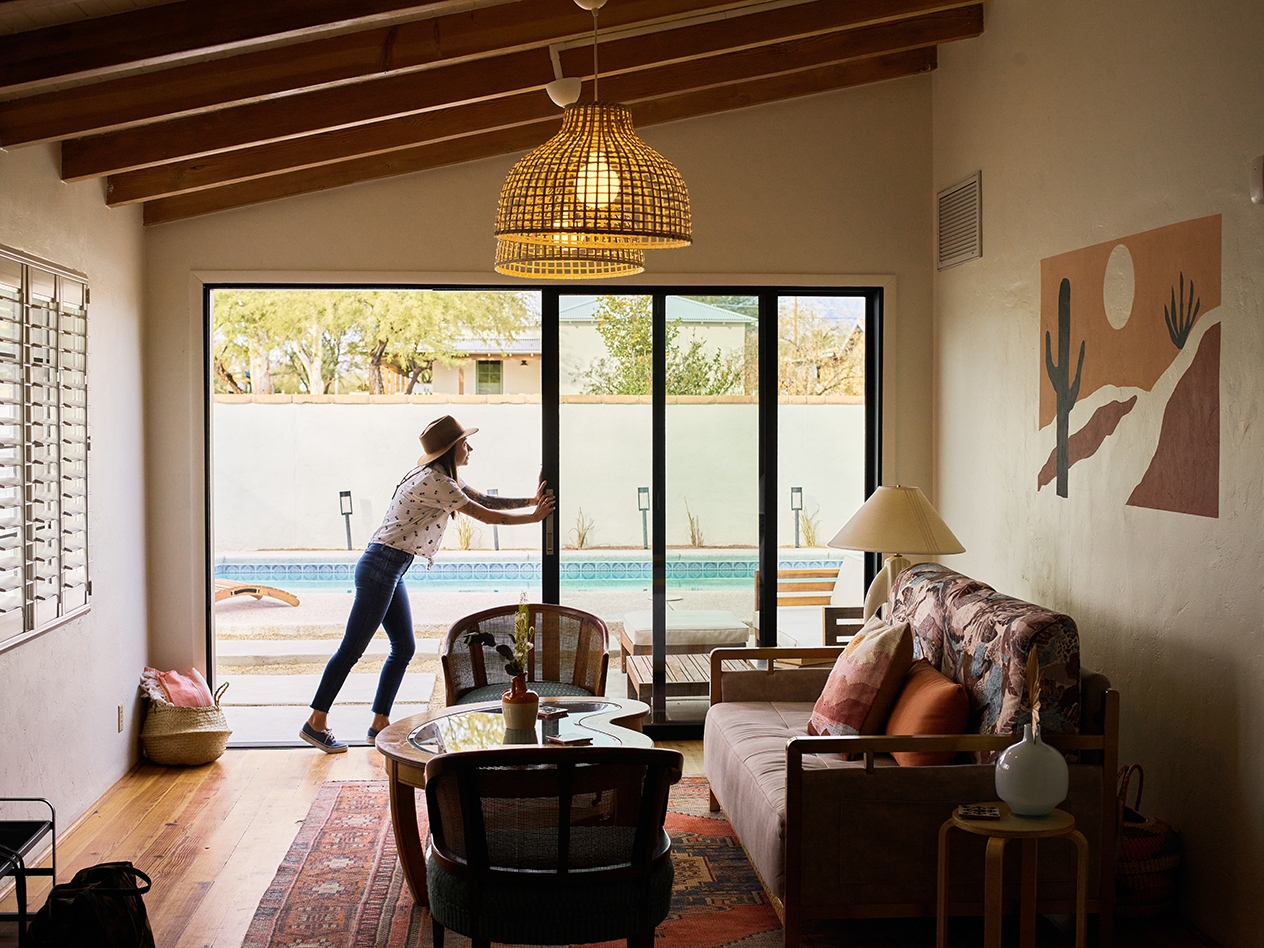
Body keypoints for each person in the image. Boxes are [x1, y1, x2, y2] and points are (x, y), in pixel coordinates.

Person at [300, 414, 555, 753]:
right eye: (465, 443)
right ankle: (315, 722)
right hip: (381, 566)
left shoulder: (443, 477)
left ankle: (379, 724)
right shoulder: (438, 483)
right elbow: (487, 516)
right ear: (450, 449)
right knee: (352, 649)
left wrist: (531, 501)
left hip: (389, 566)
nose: (471, 447)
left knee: (403, 647)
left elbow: (488, 501)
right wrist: (535, 518)